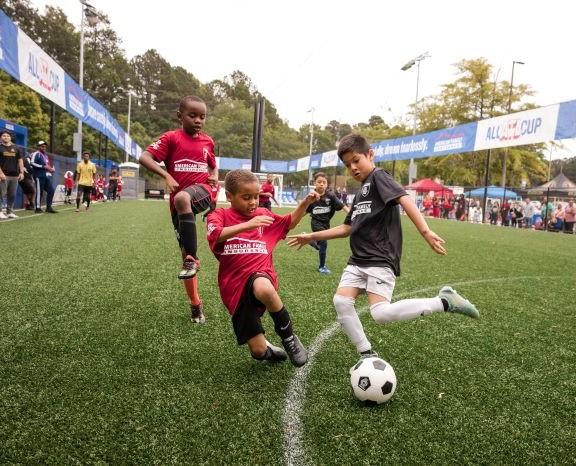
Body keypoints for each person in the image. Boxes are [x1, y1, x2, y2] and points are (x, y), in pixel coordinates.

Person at [287, 134, 479, 358]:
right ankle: (367, 354)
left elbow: (404, 199)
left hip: (379, 257)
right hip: (358, 260)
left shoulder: (379, 176)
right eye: (348, 165)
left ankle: (445, 302)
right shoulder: (360, 193)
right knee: (341, 301)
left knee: (381, 313)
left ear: (370, 154)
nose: (353, 168)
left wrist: (426, 232)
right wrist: (311, 236)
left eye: (357, 160)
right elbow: (347, 228)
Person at [206, 169, 319, 366]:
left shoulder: (263, 215)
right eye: (246, 197)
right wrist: (248, 225)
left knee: (264, 288)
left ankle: (290, 338)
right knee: (258, 352)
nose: (253, 202)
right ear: (229, 196)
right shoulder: (219, 215)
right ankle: (268, 349)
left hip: (260, 273)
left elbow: (288, 222)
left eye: (256, 196)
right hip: (233, 287)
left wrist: (305, 203)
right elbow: (215, 234)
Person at [139, 95, 219, 323]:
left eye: (202, 116)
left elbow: (213, 166)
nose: (198, 120)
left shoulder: (207, 142)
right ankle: (196, 304)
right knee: (185, 258)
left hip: (201, 191)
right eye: (192, 115)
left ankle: (192, 258)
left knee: (183, 198)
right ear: (179, 116)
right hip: (178, 204)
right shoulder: (171, 138)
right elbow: (144, 156)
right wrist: (166, 174)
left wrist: (213, 177)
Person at [306, 171, 350, 274]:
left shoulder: (331, 196)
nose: (321, 184)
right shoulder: (311, 197)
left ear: (327, 184)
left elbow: (343, 206)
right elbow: (305, 211)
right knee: (324, 243)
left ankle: (310, 240)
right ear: (315, 183)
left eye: (324, 182)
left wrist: (352, 214)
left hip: (326, 224)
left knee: (321, 245)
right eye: (319, 182)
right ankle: (322, 267)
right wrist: (297, 219)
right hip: (316, 223)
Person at [0, 130, 24, 219]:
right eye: (4, 136)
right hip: (3, 175)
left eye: (7, 136)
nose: (6, 137)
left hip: (14, 175)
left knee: (12, 195)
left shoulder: (16, 148)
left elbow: (20, 160)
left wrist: (22, 172)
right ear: (1, 138)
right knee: (1, 194)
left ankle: (10, 212)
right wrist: (1, 173)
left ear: (10, 137)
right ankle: (0, 212)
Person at [30, 141, 57, 213]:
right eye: (42, 146)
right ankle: (37, 208)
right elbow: (32, 163)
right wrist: (43, 166)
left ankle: (48, 207)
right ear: (38, 147)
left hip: (45, 175)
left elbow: (47, 165)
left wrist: (51, 169)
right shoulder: (36, 153)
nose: (44, 148)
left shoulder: (45, 155)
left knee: (51, 191)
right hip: (38, 176)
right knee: (39, 192)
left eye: (45, 146)